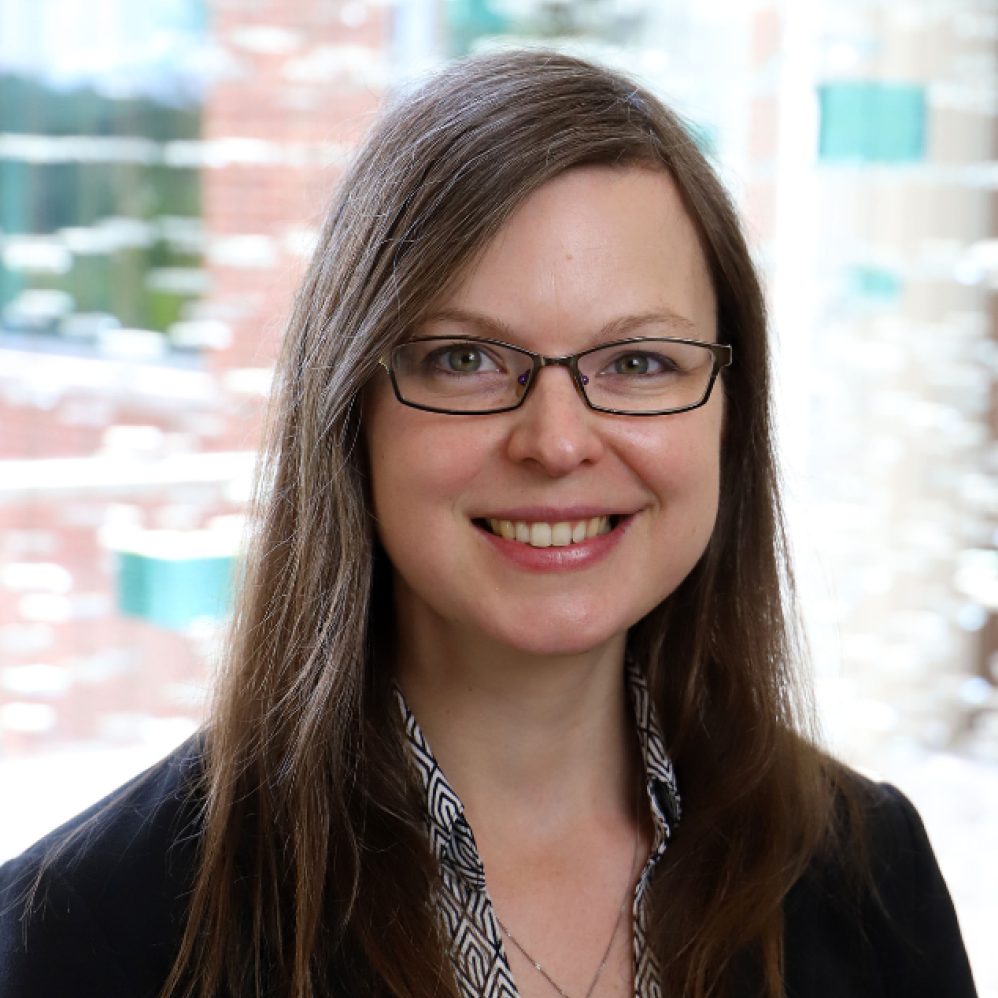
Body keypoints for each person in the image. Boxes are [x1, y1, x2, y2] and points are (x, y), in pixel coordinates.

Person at [0, 50, 978, 998]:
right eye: (464, 358)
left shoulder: (868, 875)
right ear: (350, 410)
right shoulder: (83, 935)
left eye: (637, 362)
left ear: (729, 411)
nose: (556, 442)